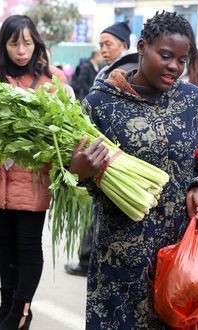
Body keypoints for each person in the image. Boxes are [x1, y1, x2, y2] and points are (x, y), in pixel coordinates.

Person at [68, 11, 198, 329]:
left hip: (178, 255)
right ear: (142, 47)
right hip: (119, 258)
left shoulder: (192, 101)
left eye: (182, 59)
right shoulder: (99, 105)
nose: (174, 67)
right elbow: (67, 181)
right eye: (165, 55)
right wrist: (76, 170)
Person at [0, 15, 67, 330]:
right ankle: (5, 311)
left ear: (36, 43)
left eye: (27, 43)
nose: (21, 50)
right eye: (14, 43)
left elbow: (60, 130)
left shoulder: (51, 80)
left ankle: (21, 314)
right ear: (3, 45)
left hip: (32, 179)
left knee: (28, 246)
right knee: (5, 246)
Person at [64, 20, 139, 277]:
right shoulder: (110, 69)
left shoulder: (127, 70)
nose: (103, 49)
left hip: (112, 155)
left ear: (125, 45)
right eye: (101, 44)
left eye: (109, 44)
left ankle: (90, 261)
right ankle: (90, 260)